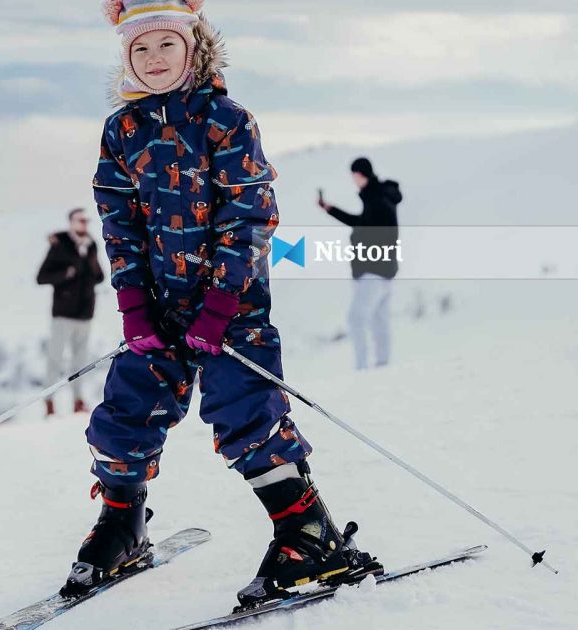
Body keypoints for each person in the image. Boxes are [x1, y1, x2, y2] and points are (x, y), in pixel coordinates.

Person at [60, 0, 380, 607]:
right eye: (141, 50)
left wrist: (220, 304)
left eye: (167, 46)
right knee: (124, 414)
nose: (154, 60)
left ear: (194, 49)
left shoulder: (226, 120)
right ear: (126, 57)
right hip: (157, 307)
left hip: (230, 309)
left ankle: (308, 534)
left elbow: (251, 214)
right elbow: (118, 218)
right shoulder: (121, 130)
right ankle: (123, 523)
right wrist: (132, 301)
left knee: (246, 416)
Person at [319, 158, 402, 370]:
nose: (353, 180)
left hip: (372, 271)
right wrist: (331, 209)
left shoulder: (377, 199)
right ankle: (383, 364)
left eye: (354, 175)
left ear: (360, 174)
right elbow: (363, 223)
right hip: (383, 271)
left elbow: (373, 229)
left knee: (357, 319)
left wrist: (361, 241)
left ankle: (362, 367)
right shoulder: (379, 196)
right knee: (379, 320)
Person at [35, 208, 105, 415]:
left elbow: (99, 276)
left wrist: (88, 263)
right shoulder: (60, 245)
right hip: (63, 314)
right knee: (55, 358)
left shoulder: (91, 245)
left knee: (80, 360)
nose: (84, 224)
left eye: (86, 221)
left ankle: (78, 400)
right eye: (80, 221)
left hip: (85, 314)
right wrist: (67, 273)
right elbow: (41, 277)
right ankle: (48, 401)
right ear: (71, 222)